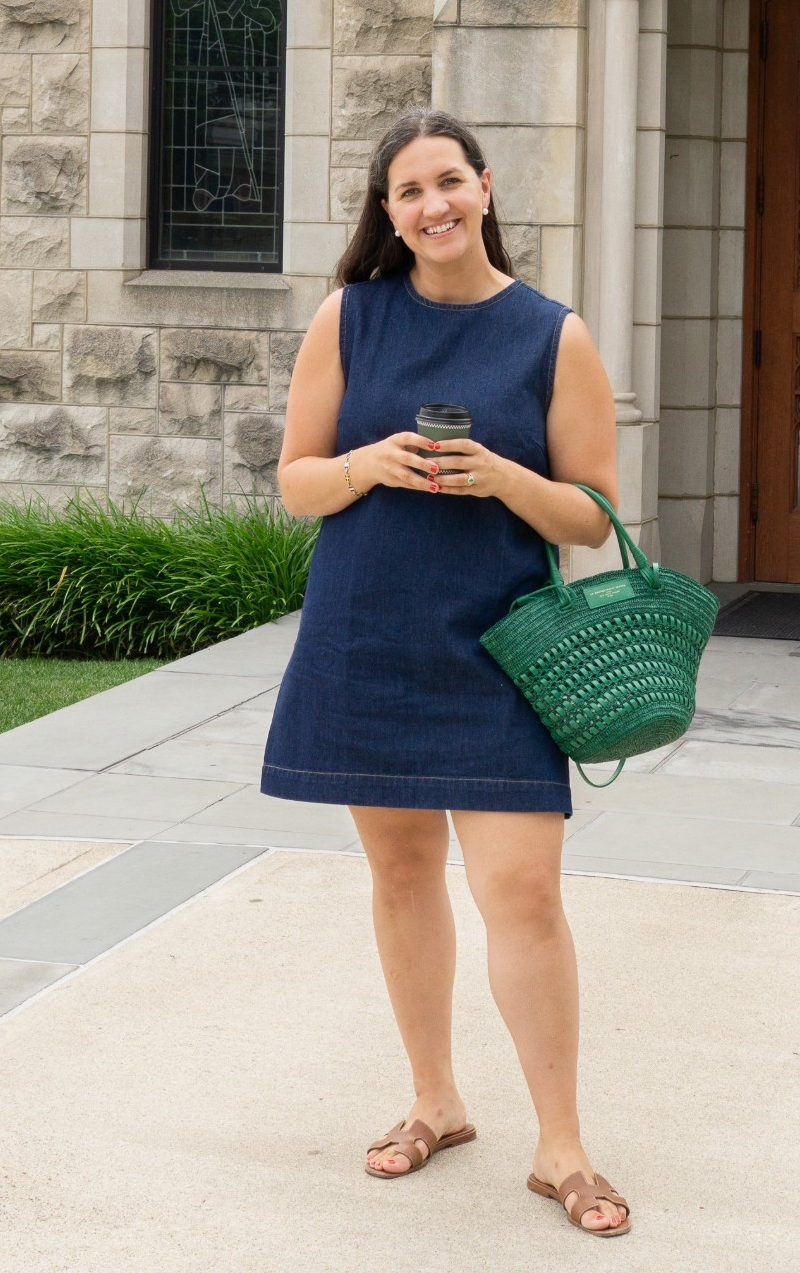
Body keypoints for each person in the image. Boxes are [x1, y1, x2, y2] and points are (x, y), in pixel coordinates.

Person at [262, 107, 632, 1238]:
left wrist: (503, 478)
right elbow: (295, 482)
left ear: (484, 187)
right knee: (403, 872)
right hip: (368, 633)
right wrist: (367, 461)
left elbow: (598, 511)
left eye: (447, 181)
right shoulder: (349, 316)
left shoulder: (551, 333)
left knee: (522, 890)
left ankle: (561, 1144)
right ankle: (435, 1098)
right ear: (389, 212)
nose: (431, 205)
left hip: (501, 646)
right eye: (408, 190)